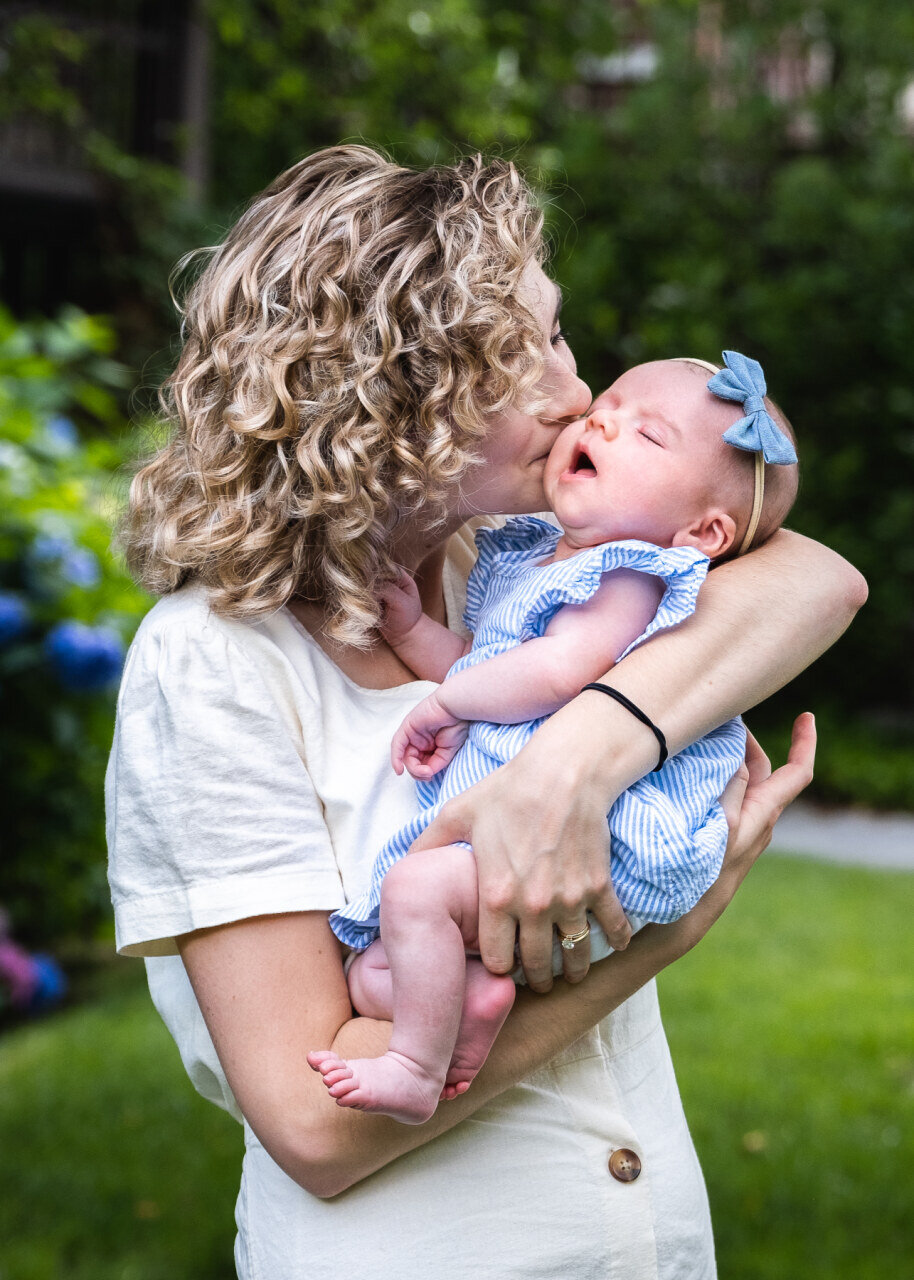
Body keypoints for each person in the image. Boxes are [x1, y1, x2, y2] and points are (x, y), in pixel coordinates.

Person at [106, 145, 865, 1280]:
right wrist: (667, 927)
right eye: (516, 358)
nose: (574, 392)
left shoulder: (511, 561)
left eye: (555, 333)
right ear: (379, 395)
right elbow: (312, 1122)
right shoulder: (212, 665)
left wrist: (590, 748)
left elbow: (816, 576)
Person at [312, 353, 800, 1123]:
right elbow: (496, 664)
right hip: (542, 834)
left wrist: (449, 704)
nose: (600, 417)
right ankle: (472, 1010)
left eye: (649, 434)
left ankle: (413, 1068)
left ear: (703, 531)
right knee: (377, 970)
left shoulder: (630, 572)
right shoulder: (539, 556)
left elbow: (557, 671)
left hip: (610, 837)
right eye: (611, 402)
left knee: (412, 893)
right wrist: (415, 632)